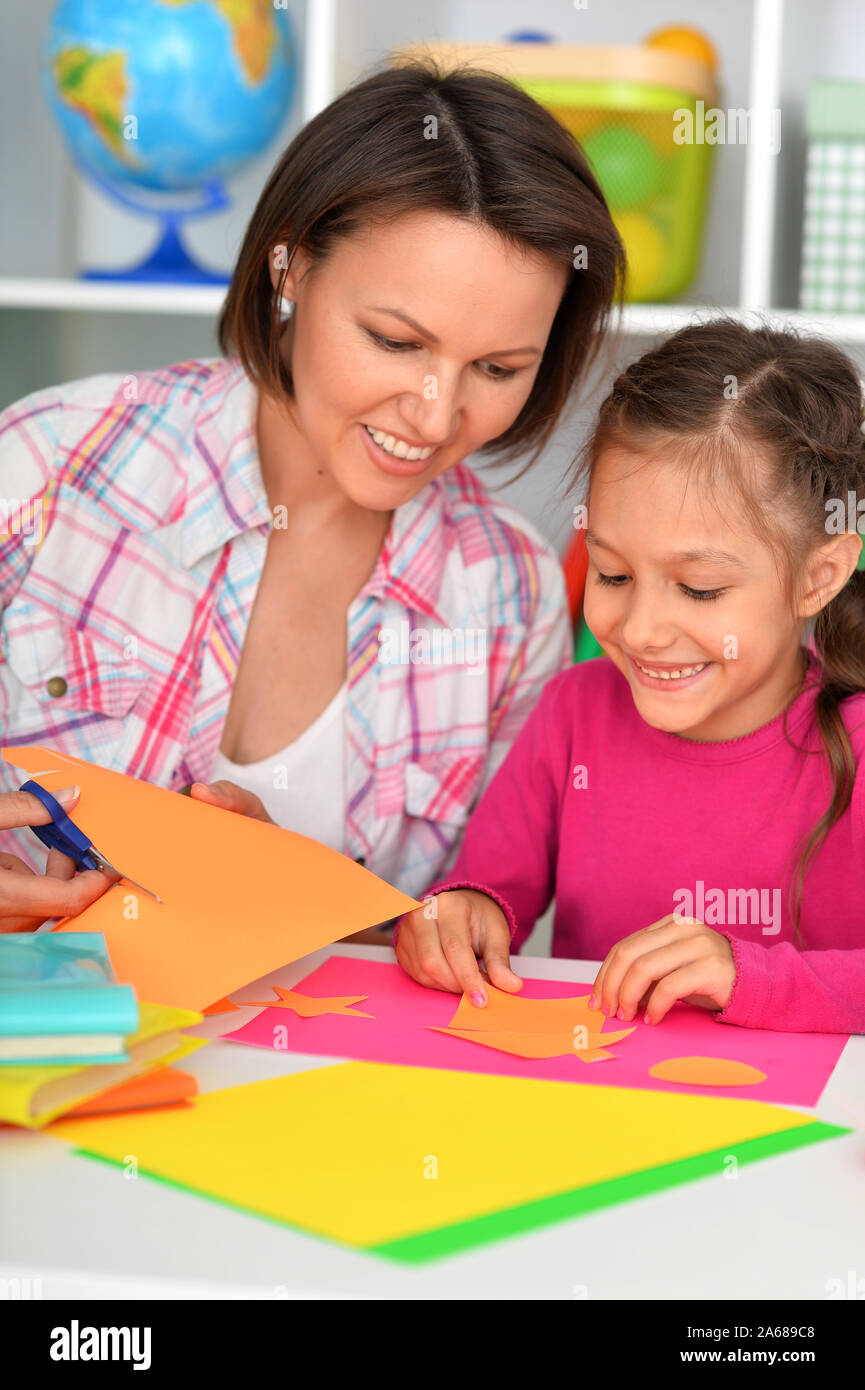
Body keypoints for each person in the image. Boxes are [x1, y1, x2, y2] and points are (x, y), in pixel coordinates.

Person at [0, 60, 625, 931]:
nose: (437, 413)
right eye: (395, 341)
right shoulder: (48, 466)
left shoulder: (509, 595)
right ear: (289, 266)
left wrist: (286, 892)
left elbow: (460, 934)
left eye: (496, 368)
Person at [395, 318, 865, 1034]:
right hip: (603, 1113)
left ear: (818, 576)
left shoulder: (854, 746)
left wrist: (748, 975)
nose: (640, 629)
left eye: (699, 588)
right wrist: (458, 916)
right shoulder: (574, 712)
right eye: (612, 573)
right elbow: (487, 892)